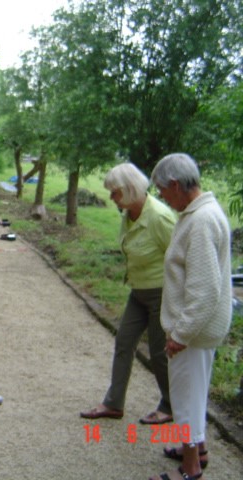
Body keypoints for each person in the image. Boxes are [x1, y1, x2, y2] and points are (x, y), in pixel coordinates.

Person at [148, 153, 232, 480]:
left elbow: (204, 289)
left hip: (193, 331)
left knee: (186, 399)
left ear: (175, 184)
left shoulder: (200, 221)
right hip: (198, 328)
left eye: (161, 190)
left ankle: (191, 468)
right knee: (193, 393)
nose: (161, 197)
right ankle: (196, 450)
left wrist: (180, 334)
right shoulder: (198, 213)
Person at [80, 163, 176, 425]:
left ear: (130, 189)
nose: (111, 198)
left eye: (114, 193)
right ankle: (113, 403)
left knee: (158, 352)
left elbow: (181, 260)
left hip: (160, 293)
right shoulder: (128, 213)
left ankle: (170, 405)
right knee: (123, 342)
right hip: (138, 291)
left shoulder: (159, 217)